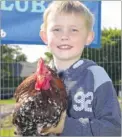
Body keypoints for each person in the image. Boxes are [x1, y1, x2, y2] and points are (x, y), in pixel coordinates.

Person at [40, 1, 121, 136]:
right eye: (57, 29)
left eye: (74, 30)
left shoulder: (96, 76)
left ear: (89, 37)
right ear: (44, 36)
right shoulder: (40, 79)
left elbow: (113, 129)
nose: (64, 36)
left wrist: (65, 127)